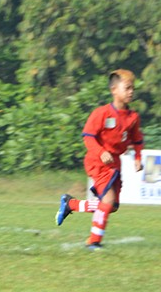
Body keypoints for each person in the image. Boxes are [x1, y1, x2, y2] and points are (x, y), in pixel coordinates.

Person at [56, 69, 143, 250]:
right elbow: (88, 136)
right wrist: (101, 151)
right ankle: (94, 241)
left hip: (115, 164)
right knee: (108, 201)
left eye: (132, 88)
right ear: (114, 90)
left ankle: (71, 204)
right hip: (97, 162)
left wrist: (138, 157)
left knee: (111, 206)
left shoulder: (133, 117)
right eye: (127, 88)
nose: (131, 92)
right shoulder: (101, 113)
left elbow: (137, 140)